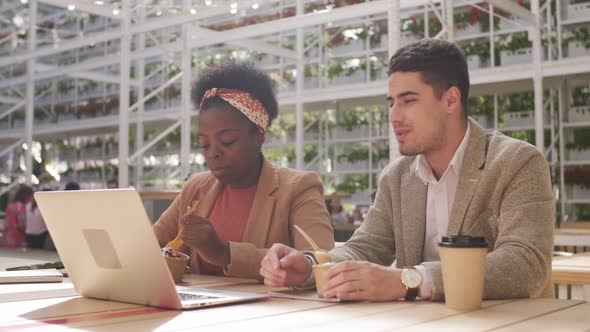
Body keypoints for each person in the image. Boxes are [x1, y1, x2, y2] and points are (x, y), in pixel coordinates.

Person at [260, 39, 554, 302]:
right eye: (391, 103)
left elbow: (525, 264)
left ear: (451, 99)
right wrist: (310, 265)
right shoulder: (397, 176)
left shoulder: (517, 161)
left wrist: (409, 281)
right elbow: (365, 247)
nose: (393, 117)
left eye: (408, 101)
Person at [153, 62, 334, 279]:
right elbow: (148, 244)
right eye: (205, 145)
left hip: (271, 311)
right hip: (197, 310)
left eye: (227, 141)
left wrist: (224, 253)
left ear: (259, 136)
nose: (213, 153)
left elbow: (320, 260)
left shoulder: (299, 188)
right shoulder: (196, 188)